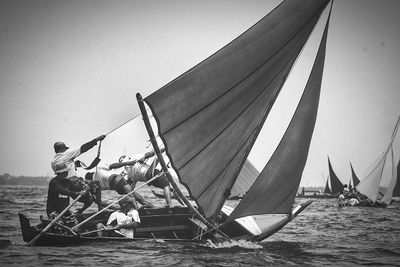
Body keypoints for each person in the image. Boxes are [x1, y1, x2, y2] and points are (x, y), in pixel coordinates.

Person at [50, 134, 106, 213]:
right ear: (62, 149)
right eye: (65, 148)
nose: (66, 150)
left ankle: (81, 211)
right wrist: (97, 139)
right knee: (96, 185)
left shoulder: (53, 162)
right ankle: (100, 208)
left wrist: (73, 164)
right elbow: (83, 148)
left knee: (90, 198)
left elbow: (63, 169)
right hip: (74, 182)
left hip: (64, 186)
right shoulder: (67, 153)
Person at [85, 164, 156, 208]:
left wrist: (112, 208)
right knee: (138, 199)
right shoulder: (98, 170)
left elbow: (97, 201)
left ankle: (152, 208)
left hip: (118, 189)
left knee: (136, 199)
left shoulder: (95, 185)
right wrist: (127, 163)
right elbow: (113, 165)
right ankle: (148, 208)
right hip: (118, 181)